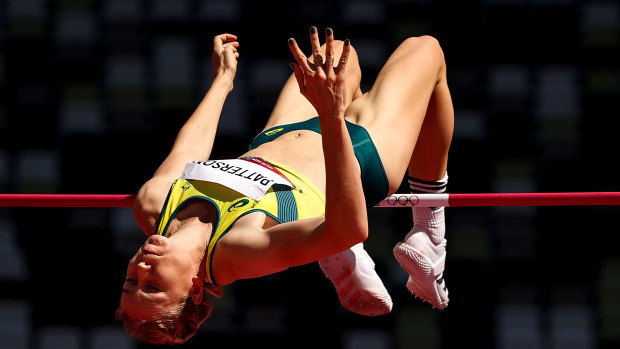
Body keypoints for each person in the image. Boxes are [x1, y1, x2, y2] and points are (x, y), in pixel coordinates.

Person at [116, 27, 454, 344]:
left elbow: (189, 149)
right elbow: (349, 228)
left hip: (278, 135)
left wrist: (223, 81)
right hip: (357, 152)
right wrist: (331, 117)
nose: (142, 267)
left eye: (132, 282)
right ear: (195, 290)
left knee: (333, 53)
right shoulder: (237, 251)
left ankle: (336, 256)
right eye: (155, 286)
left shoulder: (153, 203)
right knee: (426, 49)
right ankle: (431, 234)